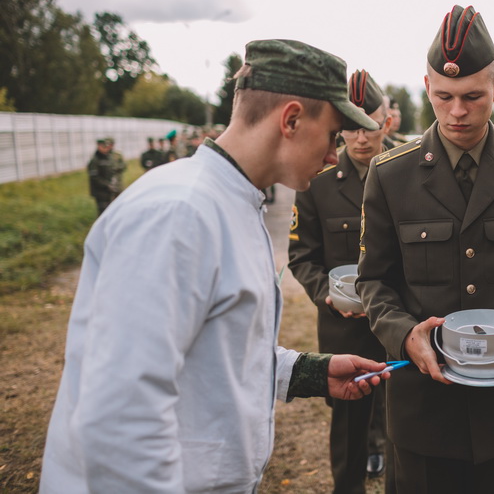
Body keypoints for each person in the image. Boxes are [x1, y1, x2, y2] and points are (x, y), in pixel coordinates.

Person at [39, 39, 389, 494]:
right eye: (331, 136)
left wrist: (309, 373)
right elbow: (121, 419)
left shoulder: (229, 203)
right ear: (291, 119)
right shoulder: (177, 215)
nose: (331, 155)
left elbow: (215, 353)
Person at [357, 5, 494, 494]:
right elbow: (372, 279)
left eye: (473, 96)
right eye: (443, 96)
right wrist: (403, 333)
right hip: (420, 401)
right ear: (427, 86)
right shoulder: (391, 173)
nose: (456, 112)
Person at [288, 69, 393, 494]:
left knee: (399, 410)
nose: (361, 138)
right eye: (350, 127)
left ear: (386, 121)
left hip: (400, 322)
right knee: (349, 423)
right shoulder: (318, 181)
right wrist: (326, 294)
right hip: (345, 326)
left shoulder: (411, 169)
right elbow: (302, 256)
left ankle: (382, 447)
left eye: (370, 125)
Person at [87, 138, 124, 215]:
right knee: (103, 212)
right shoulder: (95, 160)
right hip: (100, 192)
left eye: (106, 147)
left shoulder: (108, 157)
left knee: (110, 211)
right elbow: (94, 177)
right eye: (104, 147)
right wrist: (107, 185)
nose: (106, 149)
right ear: (99, 146)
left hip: (108, 191)